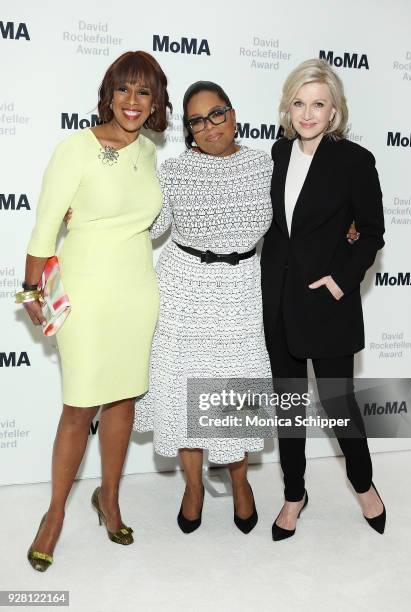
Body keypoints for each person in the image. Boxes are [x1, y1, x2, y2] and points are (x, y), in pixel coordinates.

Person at [18, 50, 171, 571]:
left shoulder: (149, 152)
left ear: (155, 102)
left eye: (144, 92)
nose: (133, 101)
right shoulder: (75, 148)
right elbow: (43, 229)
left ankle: (109, 498)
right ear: (108, 92)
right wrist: (31, 292)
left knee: (124, 399)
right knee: (80, 406)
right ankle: (55, 514)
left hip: (136, 292)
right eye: (124, 89)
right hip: (83, 294)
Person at [134, 81, 273, 534]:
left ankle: (241, 483)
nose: (208, 126)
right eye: (196, 120)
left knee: (233, 395)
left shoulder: (265, 165)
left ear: (233, 115)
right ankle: (193, 488)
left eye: (216, 114)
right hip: (185, 288)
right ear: (188, 130)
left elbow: (300, 212)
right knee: (186, 391)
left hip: (240, 291)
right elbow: (150, 227)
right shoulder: (173, 171)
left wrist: (347, 231)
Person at [260, 59, 386, 541]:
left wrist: (339, 280)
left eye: (318, 104)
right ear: (287, 107)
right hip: (278, 301)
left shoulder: (356, 161)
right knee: (288, 405)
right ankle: (294, 495)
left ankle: (363, 486)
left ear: (334, 112)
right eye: (299, 102)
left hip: (328, 303)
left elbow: (371, 233)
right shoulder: (275, 154)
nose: (307, 113)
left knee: (339, 404)